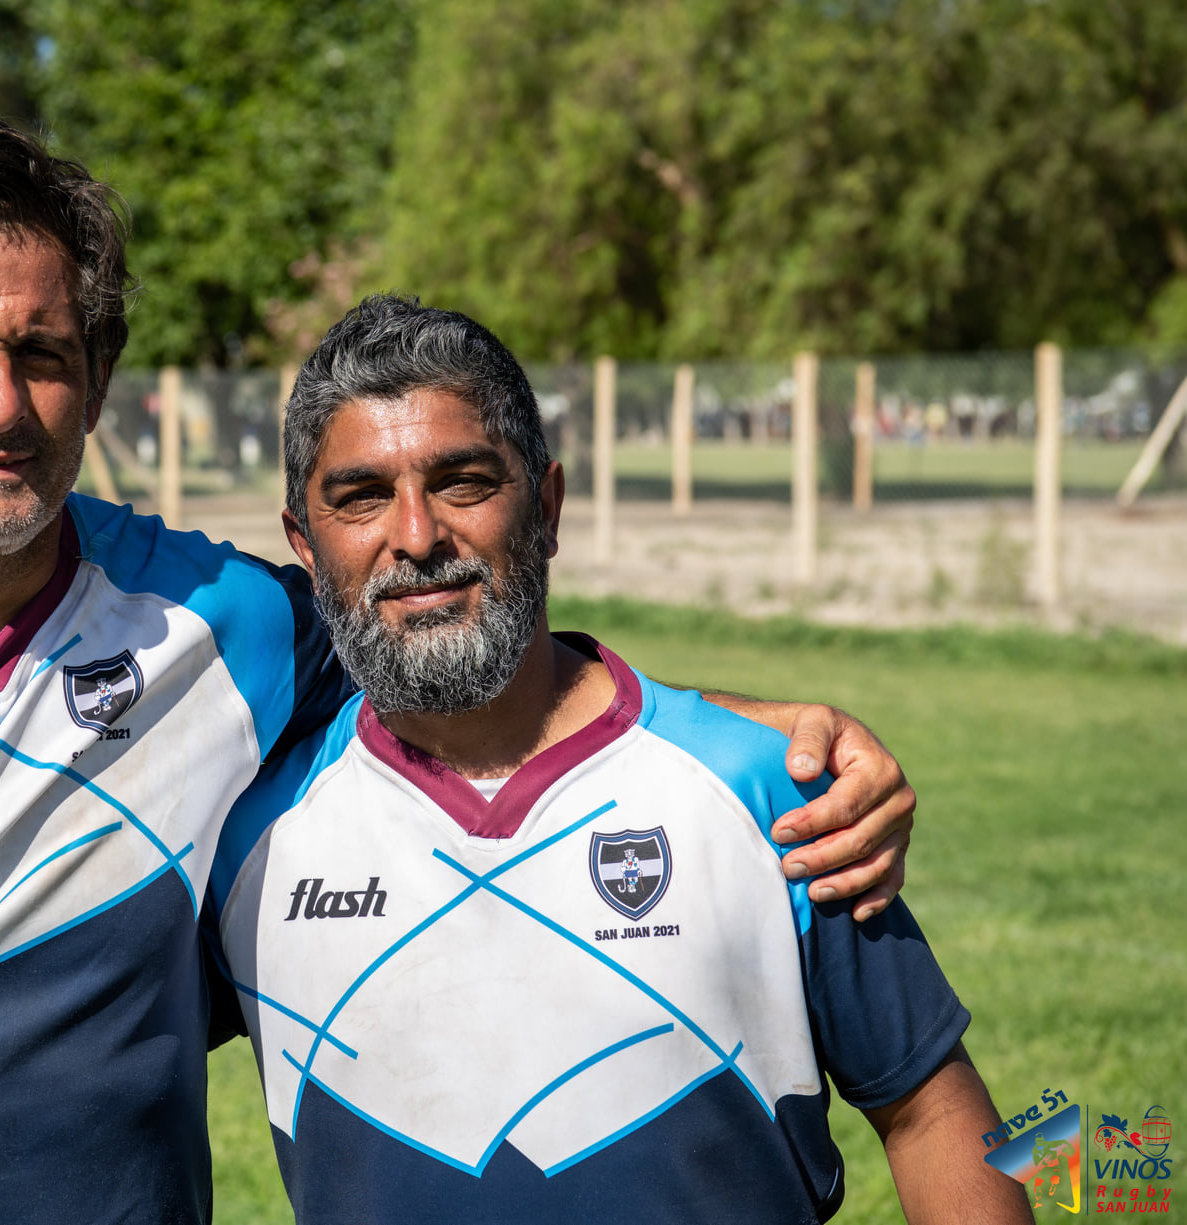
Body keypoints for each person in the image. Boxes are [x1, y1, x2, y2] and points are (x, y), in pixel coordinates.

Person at [0, 119, 912, 1225]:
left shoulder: (230, 628)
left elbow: (465, 652)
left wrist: (757, 734)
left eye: (43, 351)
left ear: (95, 377)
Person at [203, 296, 1029, 1223]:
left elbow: (932, 1113)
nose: (417, 535)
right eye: (360, 496)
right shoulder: (245, 838)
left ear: (546, 507)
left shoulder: (768, 790)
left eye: (464, 481)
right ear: (303, 545)